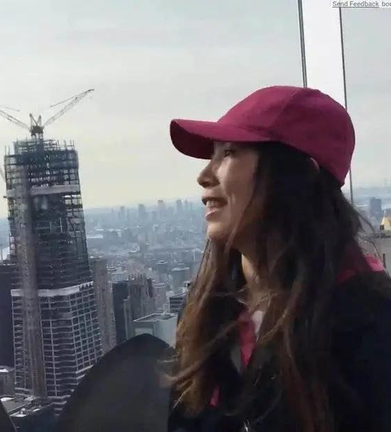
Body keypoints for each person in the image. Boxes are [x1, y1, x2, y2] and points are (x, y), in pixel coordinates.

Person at [166, 85, 391, 432]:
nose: (204, 175)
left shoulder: (368, 319)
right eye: (213, 155)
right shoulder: (206, 311)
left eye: (228, 153)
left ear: (299, 177)